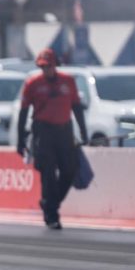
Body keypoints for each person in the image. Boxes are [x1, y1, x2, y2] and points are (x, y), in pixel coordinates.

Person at [17, 48, 89, 229]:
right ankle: (51, 216)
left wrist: (83, 131)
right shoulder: (33, 84)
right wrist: (20, 139)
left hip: (64, 130)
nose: (46, 70)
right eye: (43, 67)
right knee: (48, 173)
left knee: (69, 170)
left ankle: (51, 202)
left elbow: (77, 108)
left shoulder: (68, 82)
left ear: (55, 65)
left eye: (49, 66)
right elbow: (24, 111)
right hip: (44, 131)